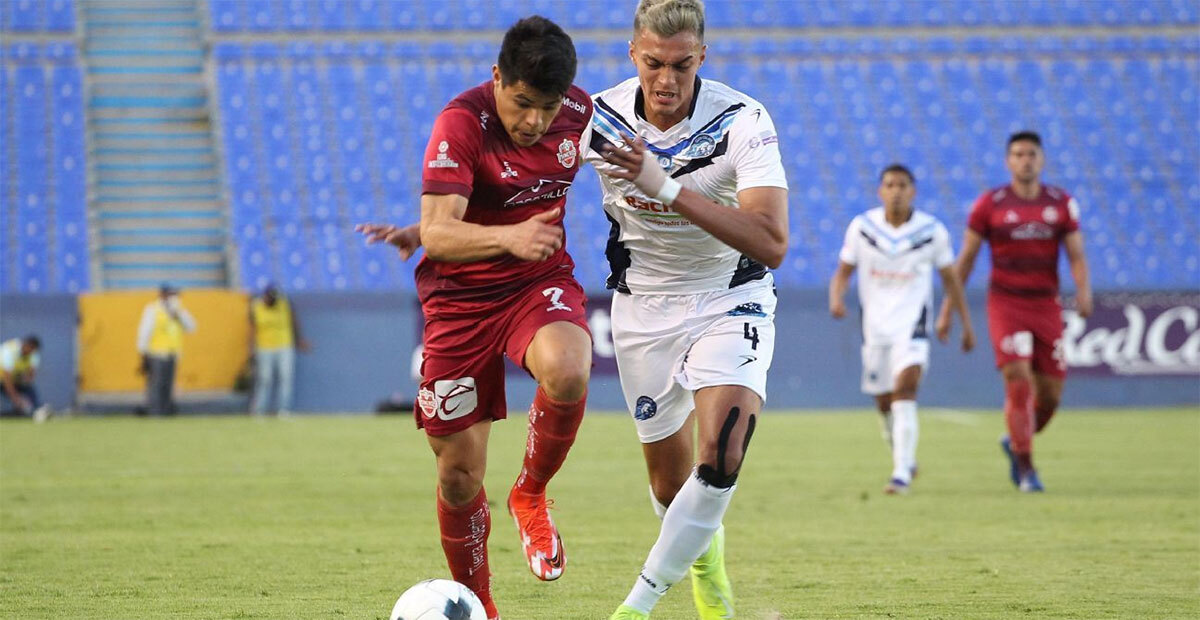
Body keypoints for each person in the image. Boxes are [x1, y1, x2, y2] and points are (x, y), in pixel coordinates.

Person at [356, 16, 592, 620]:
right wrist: (501, 236)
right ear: (496, 79)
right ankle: (481, 605)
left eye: (546, 106)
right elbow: (439, 235)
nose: (534, 121)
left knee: (568, 368)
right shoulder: (461, 122)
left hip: (535, 283)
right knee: (459, 475)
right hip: (459, 303)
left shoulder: (582, 115)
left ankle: (531, 495)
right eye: (521, 103)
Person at [587, 1, 788, 617]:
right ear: (632, 55)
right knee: (671, 488)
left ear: (703, 56)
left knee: (722, 453)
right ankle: (707, 560)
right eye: (653, 64)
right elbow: (524, 179)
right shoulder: (598, 118)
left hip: (731, 297)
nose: (666, 80)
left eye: (680, 64)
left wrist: (666, 186)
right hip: (642, 307)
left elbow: (771, 241)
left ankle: (634, 608)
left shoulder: (741, 120)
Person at [938, 130, 1092, 493]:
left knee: (1051, 395)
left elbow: (1076, 254)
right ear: (1009, 161)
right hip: (1006, 303)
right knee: (1018, 378)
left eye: (1031, 154)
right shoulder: (989, 204)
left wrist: (1083, 291)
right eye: (1018, 154)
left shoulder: (1061, 203)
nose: (1025, 160)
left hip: (1046, 304)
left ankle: (1015, 440)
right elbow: (965, 262)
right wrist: (948, 310)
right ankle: (1026, 469)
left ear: (1041, 160)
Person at [829, 164, 974, 495]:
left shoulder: (932, 231)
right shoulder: (863, 228)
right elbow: (843, 271)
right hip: (875, 329)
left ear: (913, 191)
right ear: (880, 191)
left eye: (903, 185)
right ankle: (903, 457)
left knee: (905, 391)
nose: (896, 190)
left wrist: (962, 322)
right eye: (890, 185)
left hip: (912, 326)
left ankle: (900, 475)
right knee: (884, 403)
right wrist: (836, 298)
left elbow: (951, 279)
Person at [248, 283, 310, 416]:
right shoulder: (256, 306)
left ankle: (284, 409)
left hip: (284, 345)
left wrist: (299, 340)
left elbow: (294, 322)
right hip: (264, 347)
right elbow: (252, 329)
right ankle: (259, 410)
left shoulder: (284, 304)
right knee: (265, 379)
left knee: (286, 378)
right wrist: (251, 348)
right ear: (265, 295)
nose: (272, 301)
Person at [136, 283, 197, 416]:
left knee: (168, 386)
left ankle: (166, 412)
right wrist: (143, 353)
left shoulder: (179, 311)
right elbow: (144, 332)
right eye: (171, 294)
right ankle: (154, 413)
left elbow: (192, 327)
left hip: (173, 354)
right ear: (163, 295)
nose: (174, 297)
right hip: (156, 354)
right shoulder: (153, 309)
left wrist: (178, 315)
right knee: (156, 385)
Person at [0, 335, 49, 422]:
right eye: (31, 350)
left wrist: (24, 379)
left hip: (14, 379)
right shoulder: (9, 351)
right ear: (26, 345)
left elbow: (30, 377)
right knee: (13, 394)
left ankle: (38, 410)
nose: (32, 353)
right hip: (3, 380)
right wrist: (16, 398)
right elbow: (6, 380)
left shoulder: (34, 354)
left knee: (29, 389)